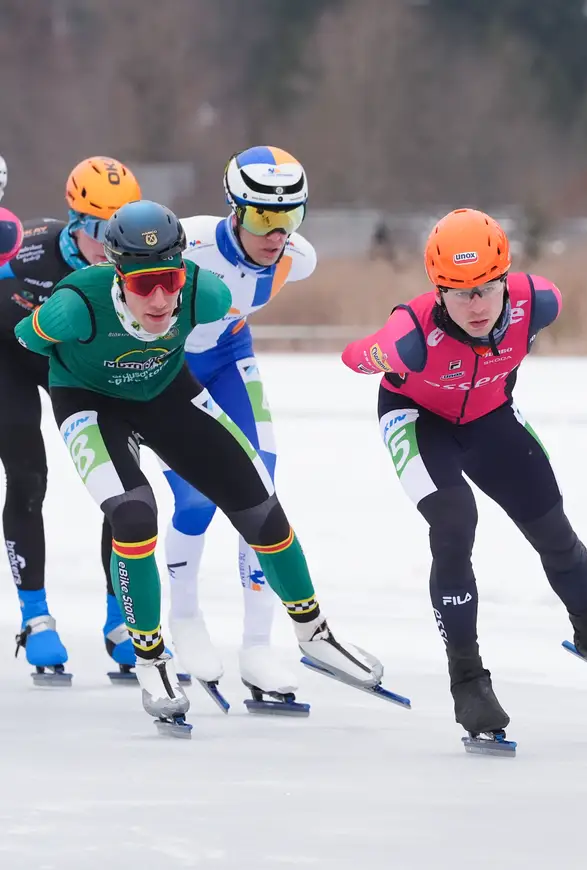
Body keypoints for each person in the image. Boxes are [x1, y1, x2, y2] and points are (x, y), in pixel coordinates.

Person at [14, 199, 384, 729]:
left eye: (169, 280)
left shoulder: (206, 295)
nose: (160, 299)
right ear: (118, 276)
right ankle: (150, 657)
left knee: (260, 502)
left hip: (166, 394)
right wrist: (74, 357)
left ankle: (314, 633)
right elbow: (28, 338)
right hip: (90, 404)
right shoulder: (77, 306)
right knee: (134, 516)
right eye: (144, 285)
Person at [341, 207, 587, 741]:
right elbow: (350, 356)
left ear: (505, 279)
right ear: (438, 291)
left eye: (487, 289)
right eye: (460, 293)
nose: (476, 305)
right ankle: (467, 677)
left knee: (552, 525)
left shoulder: (539, 302)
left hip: (490, 415)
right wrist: (379, 354)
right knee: (454, 521)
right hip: (419, 421)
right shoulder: (411, 333)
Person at [147, 145, 317, 701]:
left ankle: (257, 646)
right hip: (170, 369)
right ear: (235, 211)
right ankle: (185, 618)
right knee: (196, 499)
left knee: (261, 494)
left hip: (227, 360)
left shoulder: (299, 258)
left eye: (290, 217)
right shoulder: (186, 243)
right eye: (264, 218)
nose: (277, 234)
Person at [0, 156, 142, 678]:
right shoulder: (28, 249)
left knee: (123, 488)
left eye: (122, 229)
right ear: (76, 221)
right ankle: (35, 618)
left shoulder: (133, 261)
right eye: (100, 230)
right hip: (10, 359)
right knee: (28, 477)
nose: (112, 243)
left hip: (77, 369)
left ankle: (121, 621)